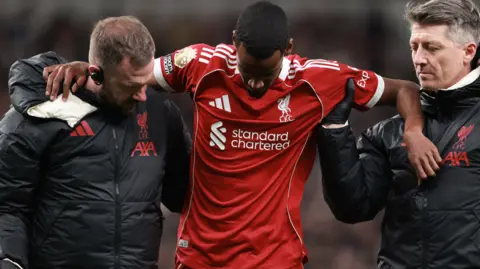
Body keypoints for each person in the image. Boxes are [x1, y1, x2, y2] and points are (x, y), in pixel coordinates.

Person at [43, 2, 441, 268]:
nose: (252, 82)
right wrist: (90, 67)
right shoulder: (201, 65)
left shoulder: (319, 79)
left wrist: (414, 129)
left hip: (275, 259)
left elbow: (404, 89)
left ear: (288, 49)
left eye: (265, 74)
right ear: (234, 42)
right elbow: (134, 75)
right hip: (198, 257)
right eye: (247, 68)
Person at [0, 16, 191, 269]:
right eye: (130, 85)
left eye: (145, 82)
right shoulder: (44, 112)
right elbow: (7, 204)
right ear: (96, 75)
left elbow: (186, 197)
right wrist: (9, 261)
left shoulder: (161, 115)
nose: (142, 94)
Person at [316, 0, 480, 268]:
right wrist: (334, 130)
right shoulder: (388, 132)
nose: (419, 59)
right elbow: (353, 208)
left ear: (468, 51)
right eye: (414, 46)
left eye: (432, 48)